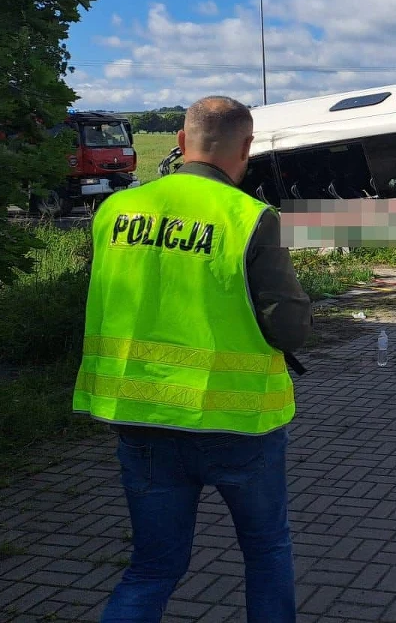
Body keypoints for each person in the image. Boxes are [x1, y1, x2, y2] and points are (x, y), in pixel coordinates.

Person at [73, 96, 313, 622]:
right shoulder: (249, 217)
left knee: (153, 567)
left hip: (141, 417)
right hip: (238, 421)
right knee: (266, 551)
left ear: (181, 142)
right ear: (246, 148)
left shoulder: (115, 211)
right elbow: (289, 326)